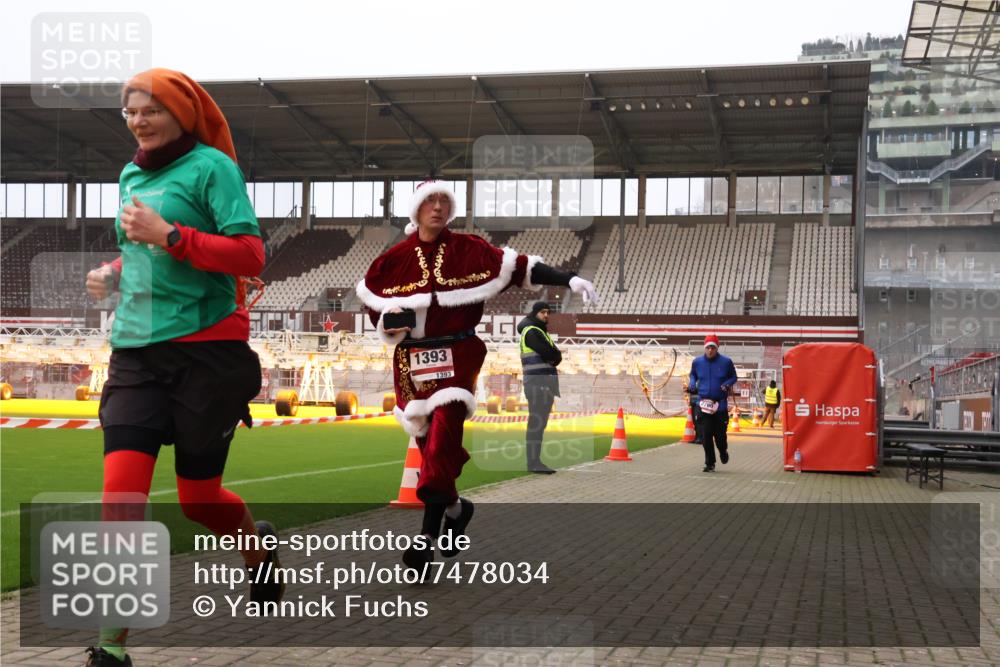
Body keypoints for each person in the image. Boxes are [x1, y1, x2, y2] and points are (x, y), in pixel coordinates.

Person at [82, 68, 281, 667]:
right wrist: (113, 273)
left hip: (207, 357)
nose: (139, 122)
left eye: (151, 111)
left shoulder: (212, 169)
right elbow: (138, 247)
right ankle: (112, 645)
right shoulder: (130, 173)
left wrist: (171, 234)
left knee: (198, 501)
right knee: (120, 501)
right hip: (137, 354)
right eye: (130, 113)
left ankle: (257, 548)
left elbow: (249, 253)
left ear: (181, 114)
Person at [357, 181, 597, 572]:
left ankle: (425, 541)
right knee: (430, 441)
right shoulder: (393, 259)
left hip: (459, 354)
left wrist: (569, 278)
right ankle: (455, 508)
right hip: (411, 363)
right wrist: (391, 322)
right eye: (430, 201)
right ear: (416, 208)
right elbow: (376, 309)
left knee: (441, 440)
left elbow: (521, 266)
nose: (438, 207)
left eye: (444, 201)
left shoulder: (470, 249)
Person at [517, 301, 562, 474]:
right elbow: (552, 354)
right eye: (543, 312)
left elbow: (555, 356)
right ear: (535, 313)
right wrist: (555, 356)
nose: (546, 315)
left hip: (542, 383)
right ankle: (533, 462)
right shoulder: (533, 332)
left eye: (548, 312)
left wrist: (555, 356)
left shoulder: (539, 331)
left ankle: (535, 461)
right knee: (536, 424)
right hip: (538, 383)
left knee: (539, 424)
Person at [687, 334, 738, 472]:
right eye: (708, 347)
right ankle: (710, 463)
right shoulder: (697, 362)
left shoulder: (726, 362)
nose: (710, 350)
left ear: (717, 348)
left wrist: (727, 384)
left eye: (713, 348)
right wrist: (692, 383)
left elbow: (734, 376)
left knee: (720, 436)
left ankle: (723, 450)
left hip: (720, 405)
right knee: (706, 435)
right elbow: (693, 374)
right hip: (703, 404)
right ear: (704, 348)